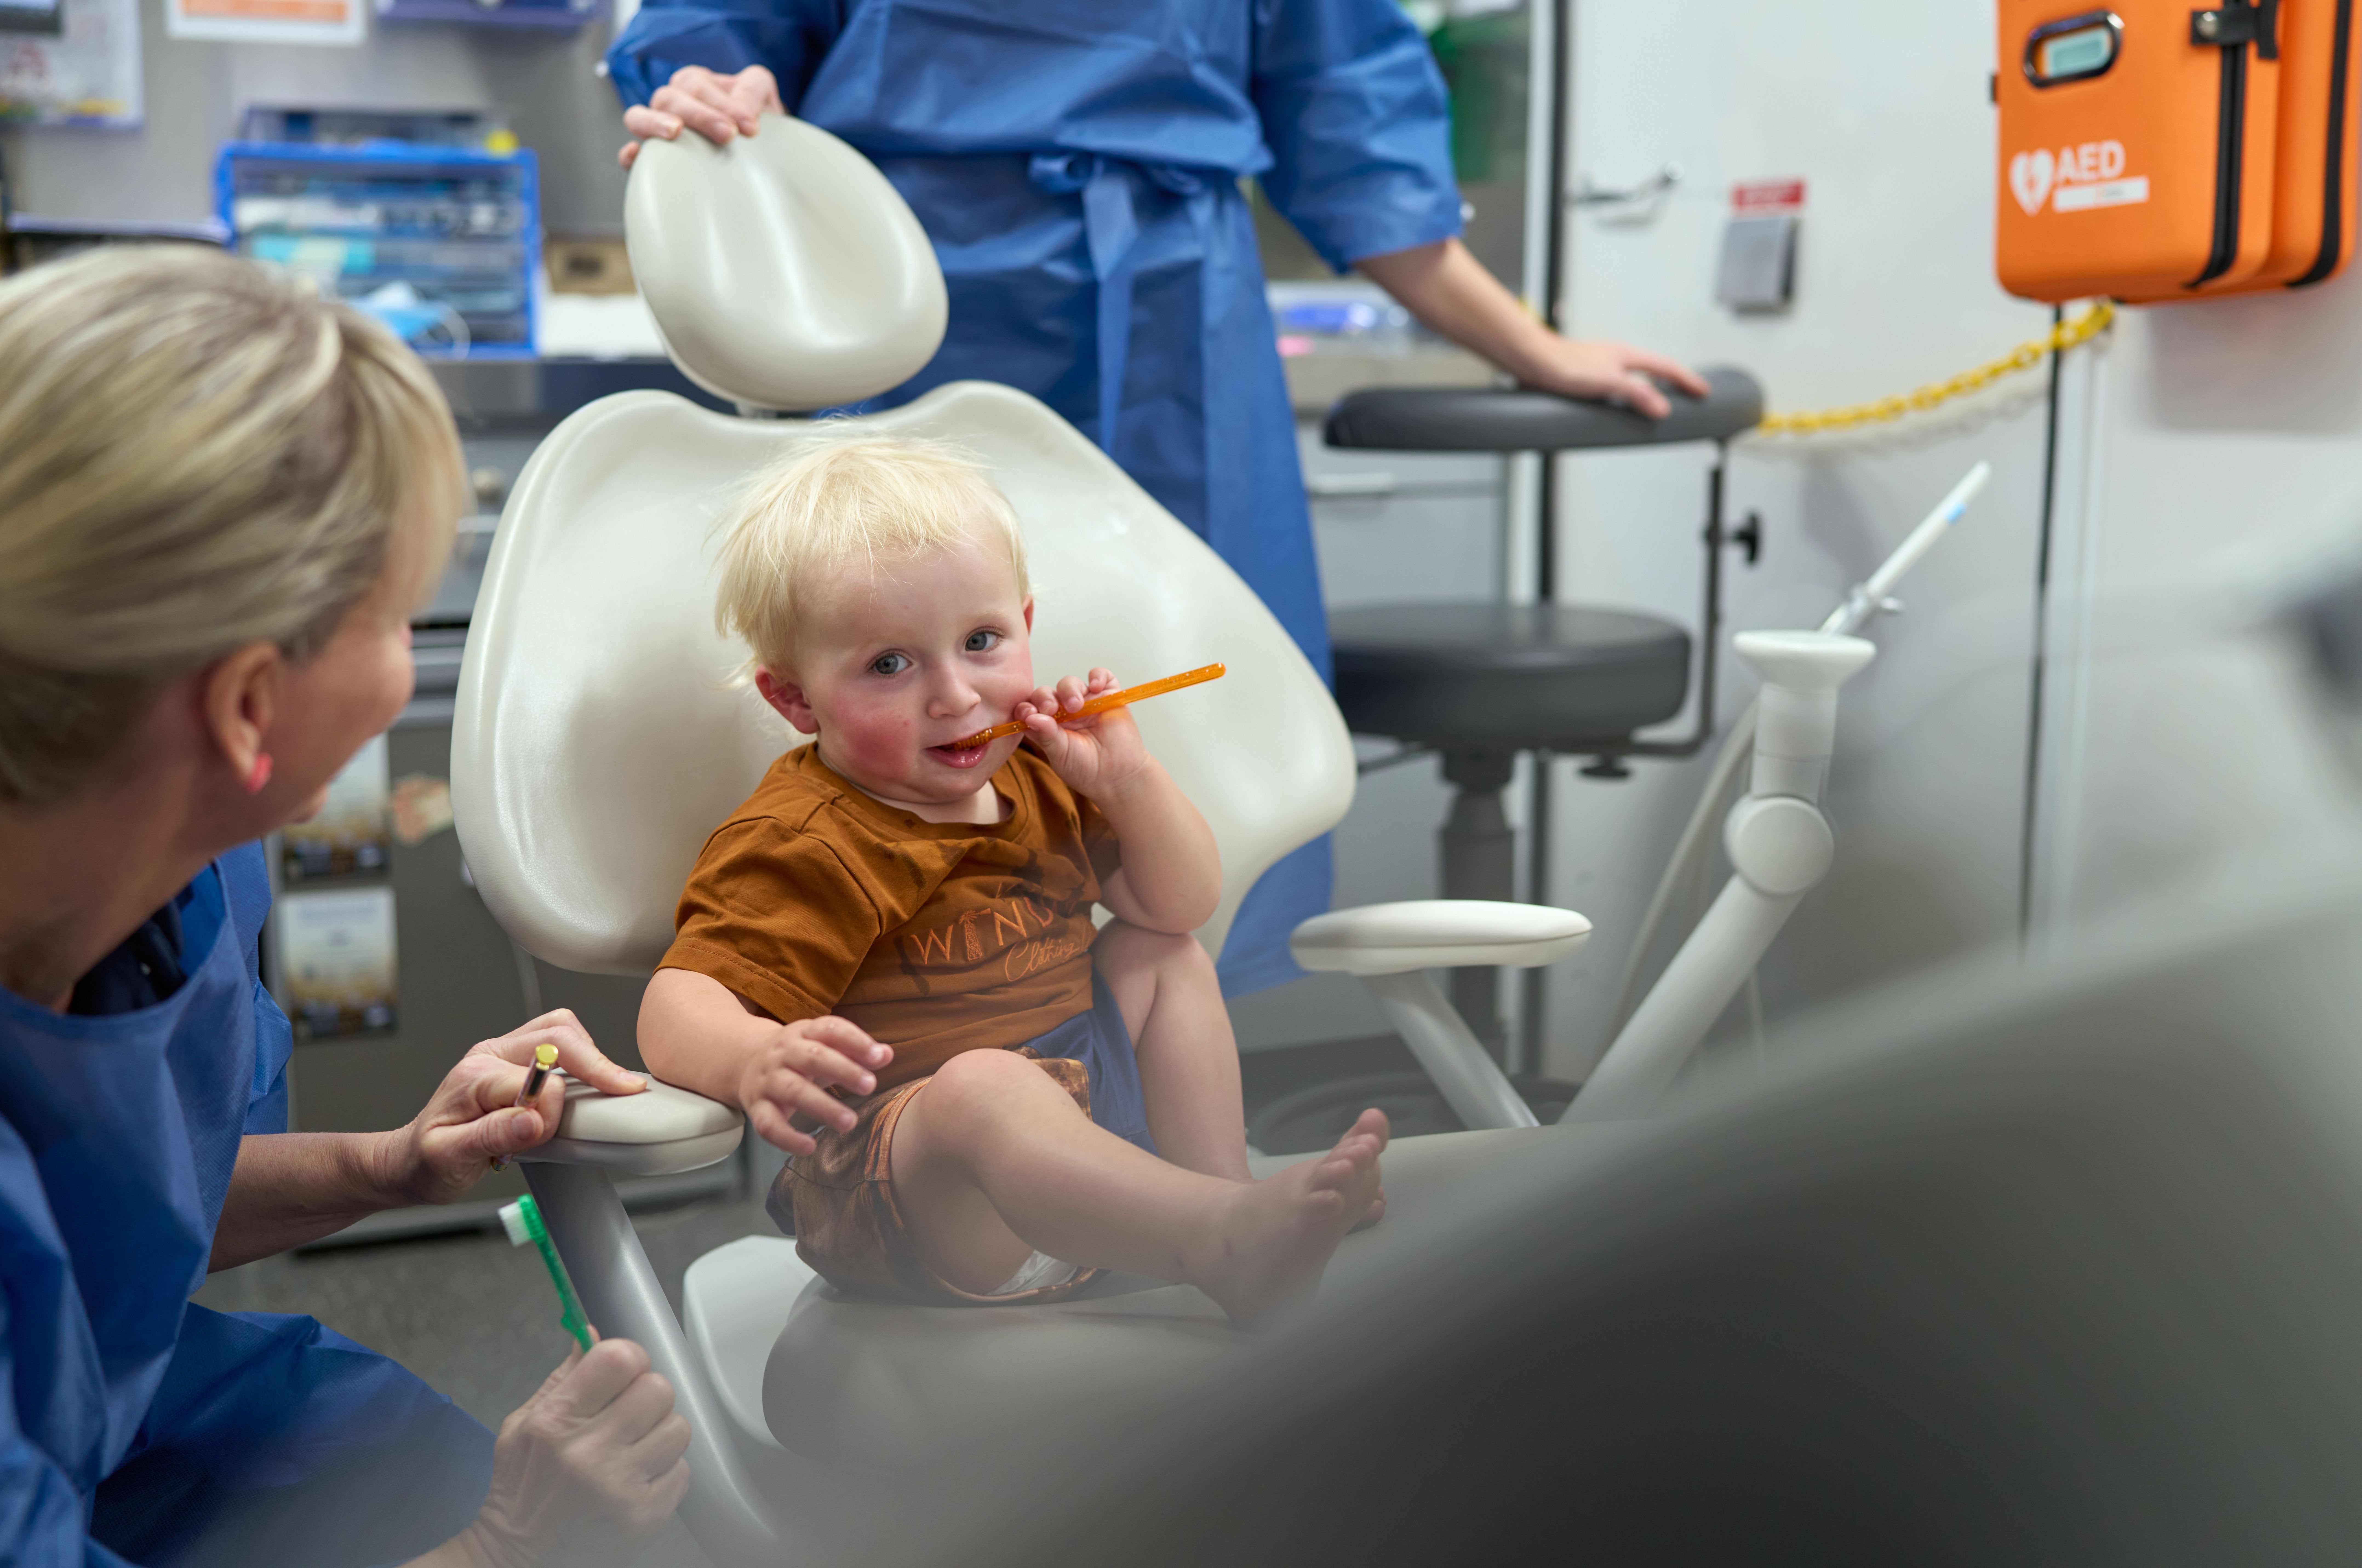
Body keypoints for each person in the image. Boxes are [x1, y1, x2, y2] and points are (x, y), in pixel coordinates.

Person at [605, 0, 1709, 998]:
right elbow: (717, 44)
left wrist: (1531, 348)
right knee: (885, 713)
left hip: (1172, 310)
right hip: (897, 281)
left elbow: (1355, 126)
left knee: (1180, 745)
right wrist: (710, 101)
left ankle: (1150, 1107)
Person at [0, 245, 691, 1567]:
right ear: (247, 707)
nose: (405, 668)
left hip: (132, 1418)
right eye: (396, 615)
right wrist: (507, 1543)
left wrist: (391, 1160)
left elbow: (123, 1200)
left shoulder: (173, 875)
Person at [637, 435, 1387, 1326]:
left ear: (1027, 625)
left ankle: (1228, 1204)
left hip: (1097, 1152)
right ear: (795, 701)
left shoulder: (1038, 776)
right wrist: (753, 1055)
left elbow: (1183, 902)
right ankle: (1215, 1233)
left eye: (982, 641)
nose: (956, 696)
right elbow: (676, 1004)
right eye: (890, 664)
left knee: (1162, 953)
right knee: (985, 1085)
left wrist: (1128, 782)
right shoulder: (808, 839)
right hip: (926, 1197)